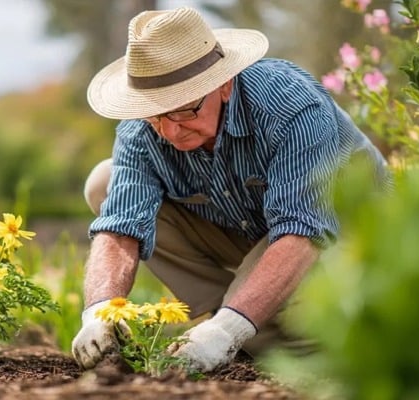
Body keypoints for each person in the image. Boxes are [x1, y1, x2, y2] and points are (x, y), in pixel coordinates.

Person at [70, 6, 391, 373]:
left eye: (184, 110)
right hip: (259, 236)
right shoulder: (144, 130)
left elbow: (301, 231)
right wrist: (99, 312)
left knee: (333, 334)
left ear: (223, 84)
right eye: (155, 114)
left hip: (351, 235)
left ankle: (244, 328)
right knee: (105, 182)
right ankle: (235, 322)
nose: (170, 131)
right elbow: (121, 226)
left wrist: (227, 330)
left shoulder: (291, 107)